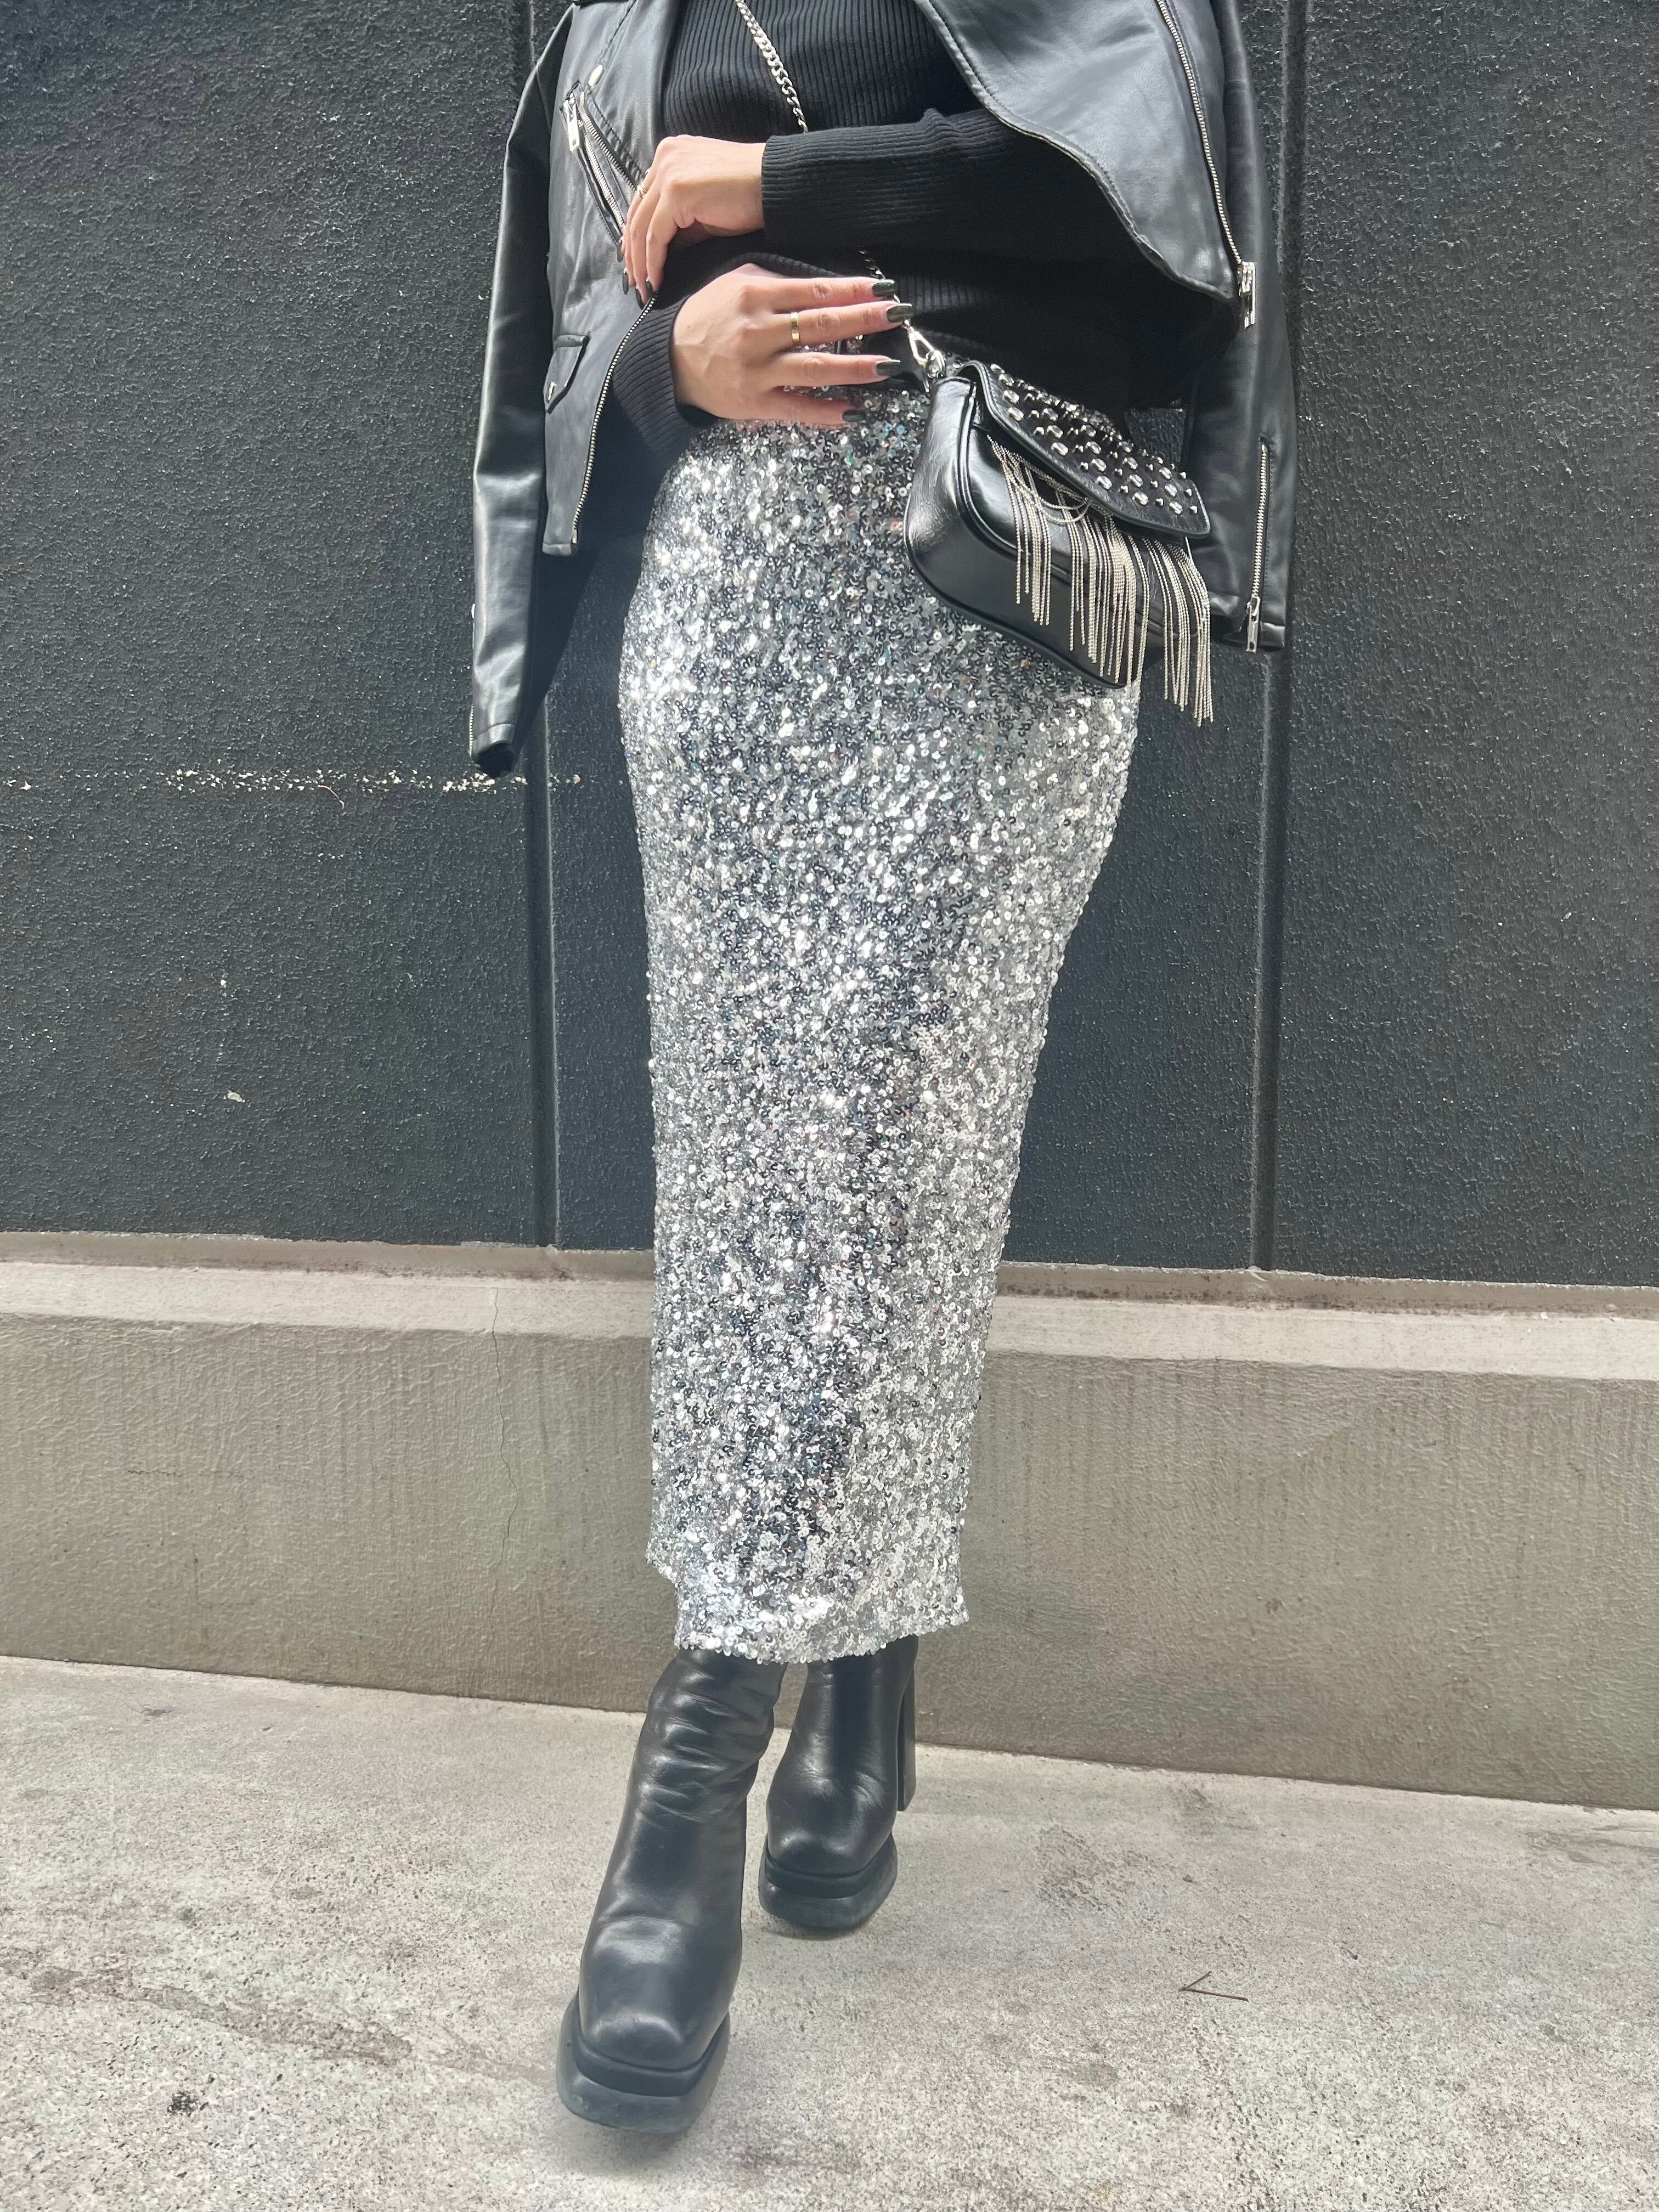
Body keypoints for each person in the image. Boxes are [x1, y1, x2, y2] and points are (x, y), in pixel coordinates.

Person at [470, 0, 1295, 2133]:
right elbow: (568, 340)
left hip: (987, 587)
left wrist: (777, 184)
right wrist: (674, 357)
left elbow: (1148, 201)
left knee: (889, 1142)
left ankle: (695, 1762)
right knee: (767, 1167)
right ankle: (864, 1690)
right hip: (729, 612)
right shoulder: (615, 20)